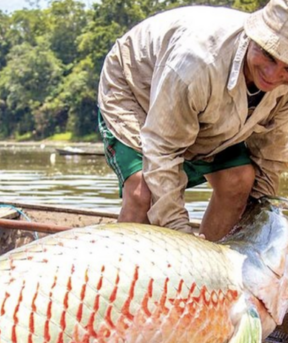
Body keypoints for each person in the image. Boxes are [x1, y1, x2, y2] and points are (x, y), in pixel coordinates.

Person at [98, 0, 288, 241]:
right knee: (142, 192)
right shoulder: (196, 64)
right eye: (269, 56)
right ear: (254, 38)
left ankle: (210, 270)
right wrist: (180, 236)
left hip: (206, 106)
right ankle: (121, 269)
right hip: (136, 87)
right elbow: (163, 151)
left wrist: (257, 231)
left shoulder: (282, 86)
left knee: (239, 180)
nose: (273, 75)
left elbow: (269, 159)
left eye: (287, 69)